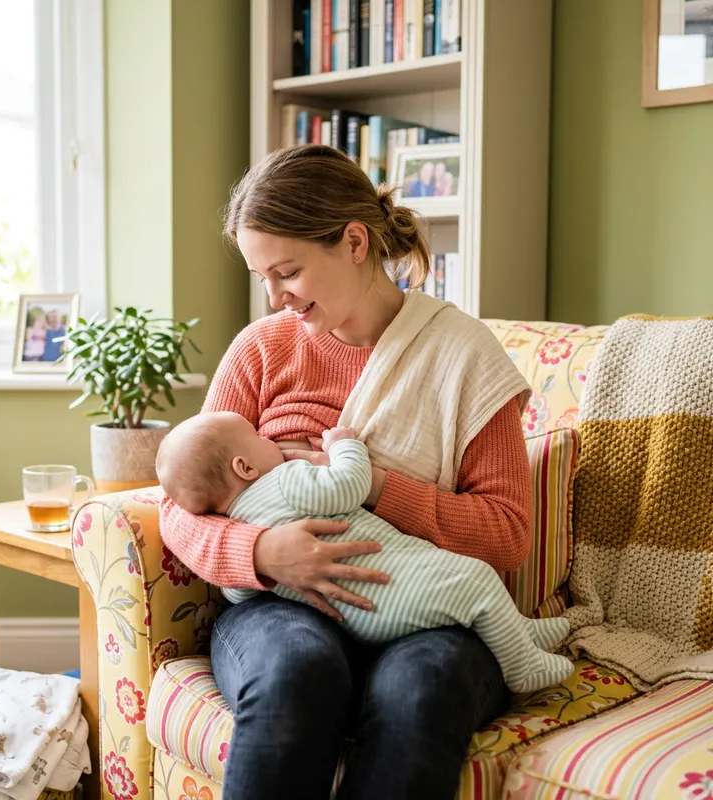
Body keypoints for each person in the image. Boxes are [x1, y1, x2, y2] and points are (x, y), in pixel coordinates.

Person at [159, 143, 534, 799]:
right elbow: (178, 506)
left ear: (355, 241)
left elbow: (506, 535)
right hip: (281, 606)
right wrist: (262, 550)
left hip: (427, 611)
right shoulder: (261, 350)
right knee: (294, 673)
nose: (275, 297)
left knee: (421, 691)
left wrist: (379, 486)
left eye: (288, 272)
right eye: (262, 277)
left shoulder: (462, 356)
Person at [157, 411, 571, 693]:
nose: (270, 438)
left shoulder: (242, 520)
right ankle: (521, 665)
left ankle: (518, 630)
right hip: (388, 590)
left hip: (355, 614)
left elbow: (238, 590)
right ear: (245, 467)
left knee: (461, 600)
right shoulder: (285, 478)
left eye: (289, 274)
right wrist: (344, 447)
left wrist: (253, 561)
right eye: (259, 436)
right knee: (475, 580)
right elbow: (349, 485)